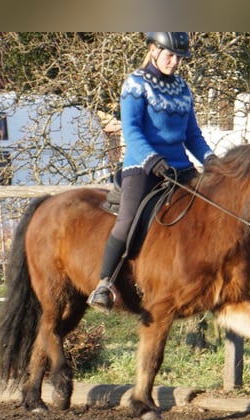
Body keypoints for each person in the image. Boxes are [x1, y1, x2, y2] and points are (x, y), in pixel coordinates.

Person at [87, 32, 216, 311]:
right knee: (128, 218)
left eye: (179, 57)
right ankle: (104, 283)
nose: (174, 62)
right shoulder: (136, 84)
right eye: (169, 55)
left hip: (179, 168)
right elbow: (131, 130)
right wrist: (152, 160)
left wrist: (211, 159)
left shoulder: (183, 89)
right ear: (153, 50)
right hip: (142, 167)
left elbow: (192, 135)